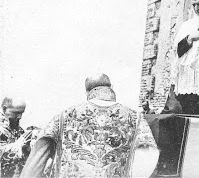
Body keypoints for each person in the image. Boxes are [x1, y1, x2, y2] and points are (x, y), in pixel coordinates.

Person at [20, 73, 150, 178]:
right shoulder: (136, 118)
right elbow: (149, 156)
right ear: (111, 87)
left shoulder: (64, 116)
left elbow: (38, 156)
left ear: (87, 91)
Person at [172, 0, 199, 114]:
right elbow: (177, 50)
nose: (196, 8)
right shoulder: (187, 25)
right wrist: (190, 38)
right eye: (193, 5)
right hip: (189, 75)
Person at [0, 97, 32, 178]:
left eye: (22, 113)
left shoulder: (18, 129)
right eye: (16, 113)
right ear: (4, 109)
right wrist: (18, 144)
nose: (20, 117)